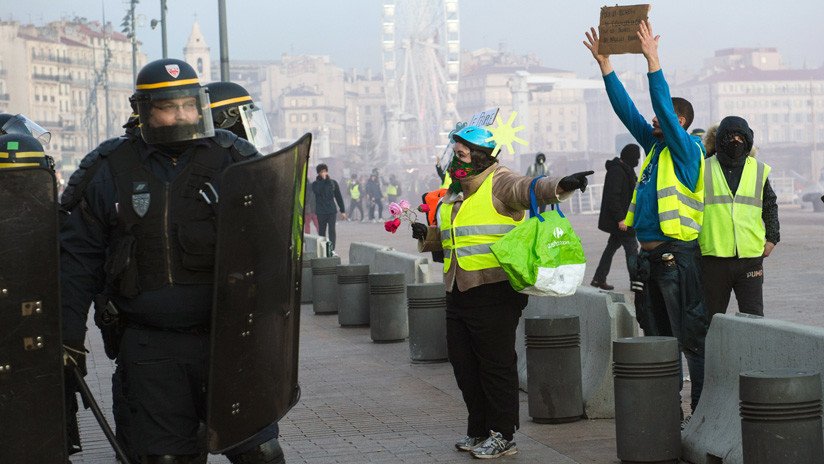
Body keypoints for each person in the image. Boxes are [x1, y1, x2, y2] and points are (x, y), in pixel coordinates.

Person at [59, 58, 284, 464]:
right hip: (150, 347)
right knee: (164, 459)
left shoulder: (235, 158)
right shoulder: (109, 169)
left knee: (261, 453)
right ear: (145, 111)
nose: (182, 115)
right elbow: (77, 260)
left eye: (189, 105)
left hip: (230, 341)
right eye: (169, 106)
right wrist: (67, 335)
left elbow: (272, 245)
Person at [411, 125, 592, 459]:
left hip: (494, 291)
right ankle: (478, 430)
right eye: (455, 153)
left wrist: (562, 185)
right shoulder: (456, 191)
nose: (456, 159)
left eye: (462, 154)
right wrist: (429, 235)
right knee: (464, 366)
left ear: (481, 155)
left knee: (496, 367)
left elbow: (530, 189)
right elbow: (458, 237)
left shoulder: (499, 180)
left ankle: (502, 435)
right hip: (458, 289)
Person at [585, 21, 708, 415]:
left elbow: (660, 113)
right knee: (656, 336)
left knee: (687, 337)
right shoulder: (655, 151)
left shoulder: (687, 151)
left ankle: (700, 409)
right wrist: (606, 66)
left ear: (681, 123)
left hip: (678, 258)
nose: (654, 122)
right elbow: (628, 113)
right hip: (650, 260)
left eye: (665, 118)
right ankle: (667, 410)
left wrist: (653, 60)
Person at [698, 116, 779, 321]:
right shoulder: (703, 168)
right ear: (718, 141)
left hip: (750, 258)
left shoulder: (759, 170)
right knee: (710, 319)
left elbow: (769, 205)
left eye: (740, 137)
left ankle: (752, 354)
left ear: (748, 140)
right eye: (729, 137)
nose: (735, 141)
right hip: (713, 257)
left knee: (753, 319)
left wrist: (772, 238)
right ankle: (709, 354)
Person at [591, 144, 641, 291]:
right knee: (632, 248)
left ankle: (598, 278)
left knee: (611, 247)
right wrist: (621, 219)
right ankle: (636, 282)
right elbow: (613, 197)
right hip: (621, 221)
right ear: (630, 157)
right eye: (636, 158)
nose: (638, 161)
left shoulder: (626, 169)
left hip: (623, 218)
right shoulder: (617, 171)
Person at [312, 163, 346, 251]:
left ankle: (331, 249)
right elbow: (318, 191)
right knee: (322, 231)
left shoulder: (333, 183)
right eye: (322, 171)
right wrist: (323, 181)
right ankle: (322, 249)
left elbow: (338, 197)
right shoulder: (315, 184)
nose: (324, 173)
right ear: (318, 173)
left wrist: (342, 210)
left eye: (325, 171)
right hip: (321, 212)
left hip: (331, 211)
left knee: (332, 231)